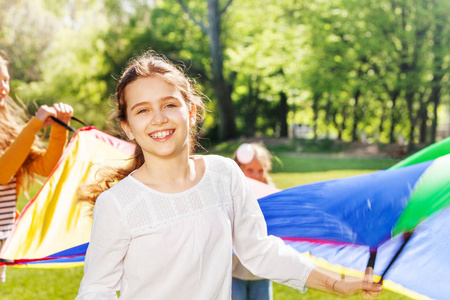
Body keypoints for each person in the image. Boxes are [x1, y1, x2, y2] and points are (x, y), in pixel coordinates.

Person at [75, 51, 382, 300]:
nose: (158, 118)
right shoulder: (118, 203)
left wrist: (335, 283)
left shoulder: (224, 174)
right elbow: (96, 289)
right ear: (127, 125)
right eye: (142, 110)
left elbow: (259, 250)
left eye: (169, 104)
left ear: (191, 112)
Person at [0, 53, 73, 283]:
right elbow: (2, 174)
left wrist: (60, 128)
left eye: (6, 80)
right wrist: (33, 126)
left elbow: (44, 166)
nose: (4, 87)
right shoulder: (22, 131)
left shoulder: (9, 128)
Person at [231, 142, 275, 300]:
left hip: (261, 274)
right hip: (234, 272)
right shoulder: (230, 194)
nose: (256, 176)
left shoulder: (271, 196)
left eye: (260, 171)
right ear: (238, 169)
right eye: (250, 170)